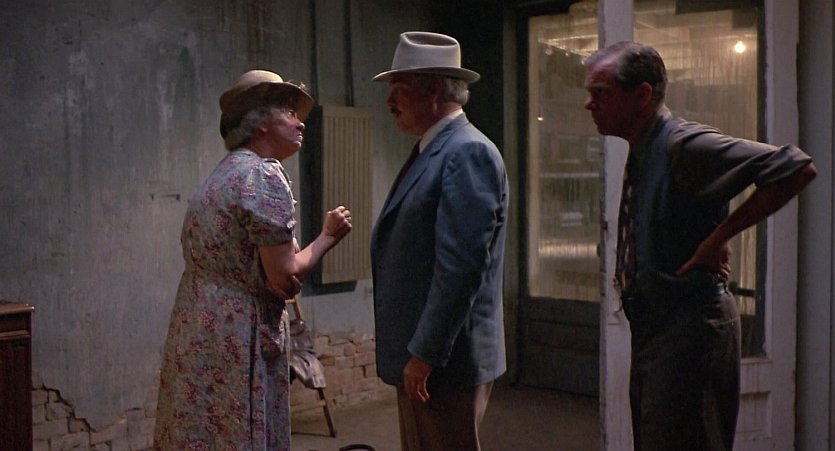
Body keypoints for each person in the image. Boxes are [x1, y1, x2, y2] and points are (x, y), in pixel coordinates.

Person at [583, 41, 817, 451]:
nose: (590, 104)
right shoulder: (646, 147)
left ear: (642, 95)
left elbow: (794, 167)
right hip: (659, 328)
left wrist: (719, 236)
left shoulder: (683, 143)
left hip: (691, 327)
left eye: (600, 93)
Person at [154, 69, 352, 450]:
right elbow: (284, 277)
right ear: (261, 122)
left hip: (199, 324)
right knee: (238, 432)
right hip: (238, 329)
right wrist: (328, 236)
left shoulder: (221, 175)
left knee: (203, 432)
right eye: (289, 113)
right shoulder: (263, 175)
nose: (300, 122)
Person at [370, 31, 509, 451]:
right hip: (428, 359)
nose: (390, 101)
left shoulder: (466, 152)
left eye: (399, 88)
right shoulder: (435, 149)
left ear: (432, 90)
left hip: (445, 363)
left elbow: (461, 268)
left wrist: (426, 354)